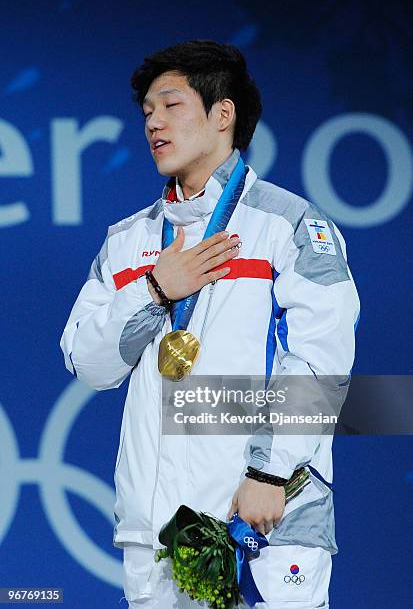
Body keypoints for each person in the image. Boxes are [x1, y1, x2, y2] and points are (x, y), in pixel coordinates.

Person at [60, 40, 360, 608]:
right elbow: (87, 362)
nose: (153, 122)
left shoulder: (289, 226)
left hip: (262, 519)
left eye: (171, 106)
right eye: (147, 111)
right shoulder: (128, 242)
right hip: (157, 536)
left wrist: (269, 474)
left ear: (224, 114)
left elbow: (321, 361)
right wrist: (153, 290)